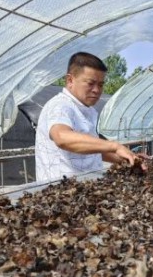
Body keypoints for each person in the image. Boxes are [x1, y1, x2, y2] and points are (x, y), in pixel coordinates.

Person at [35, 52, 146, 182]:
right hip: (61, 192)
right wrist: (115, 146)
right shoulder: (60, 105)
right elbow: (61, 137)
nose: (97, 90)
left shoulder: (87, 110)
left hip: (87, 187)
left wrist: (129, 158)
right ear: (70, 80)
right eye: (90, 83)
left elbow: (94, 150)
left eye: (100, 84)